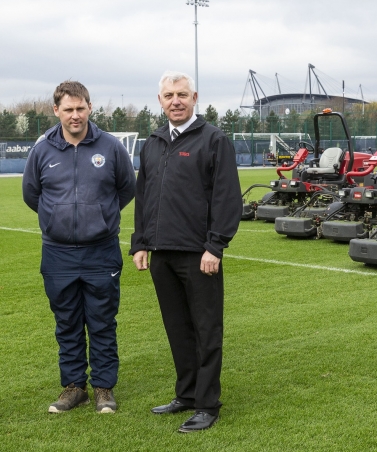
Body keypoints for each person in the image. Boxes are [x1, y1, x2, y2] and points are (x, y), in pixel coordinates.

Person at [130, 71, 242, 433]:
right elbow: (144, 197)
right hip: (161, 253)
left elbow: (226, 198)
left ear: (195, 97)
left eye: (181, 94)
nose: (175, 101)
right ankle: (187, 394)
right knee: (177, 329)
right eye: (168, 95)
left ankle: (207, 404)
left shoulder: (213, 139)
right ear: (159, 100)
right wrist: (140, 242)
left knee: (206, 329)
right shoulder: (153, 142)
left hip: (199, 255)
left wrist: (215, 245)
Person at [22, 80, 136, 414]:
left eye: (81, 108)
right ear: (56, 110)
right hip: (58, 253)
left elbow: (127, 189)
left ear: (90, 107)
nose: (75, 115)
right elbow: (32, 194)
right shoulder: (42, 150)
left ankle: (103, 388)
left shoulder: (111, 147)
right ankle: (74, 388)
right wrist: (54, 218)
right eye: (68, 109)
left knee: (102, 322)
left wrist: (101, 217)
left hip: (101, 251)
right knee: (67, 323)